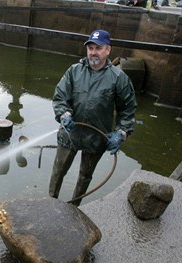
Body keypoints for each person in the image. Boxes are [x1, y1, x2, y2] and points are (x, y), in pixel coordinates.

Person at [48, 29, 137, 206]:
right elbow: (60, 96)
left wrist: (121, 132)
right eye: (90, 48)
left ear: (108, 50)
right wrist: (64, 113)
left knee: (85, 176)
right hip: (70, 132)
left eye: (98, 48)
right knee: (58, 171)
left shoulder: (118, 78)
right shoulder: (74, 71)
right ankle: (50, 204)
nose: (93, 52)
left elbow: (127, 109)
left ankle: (74, 207)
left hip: (96, 137)